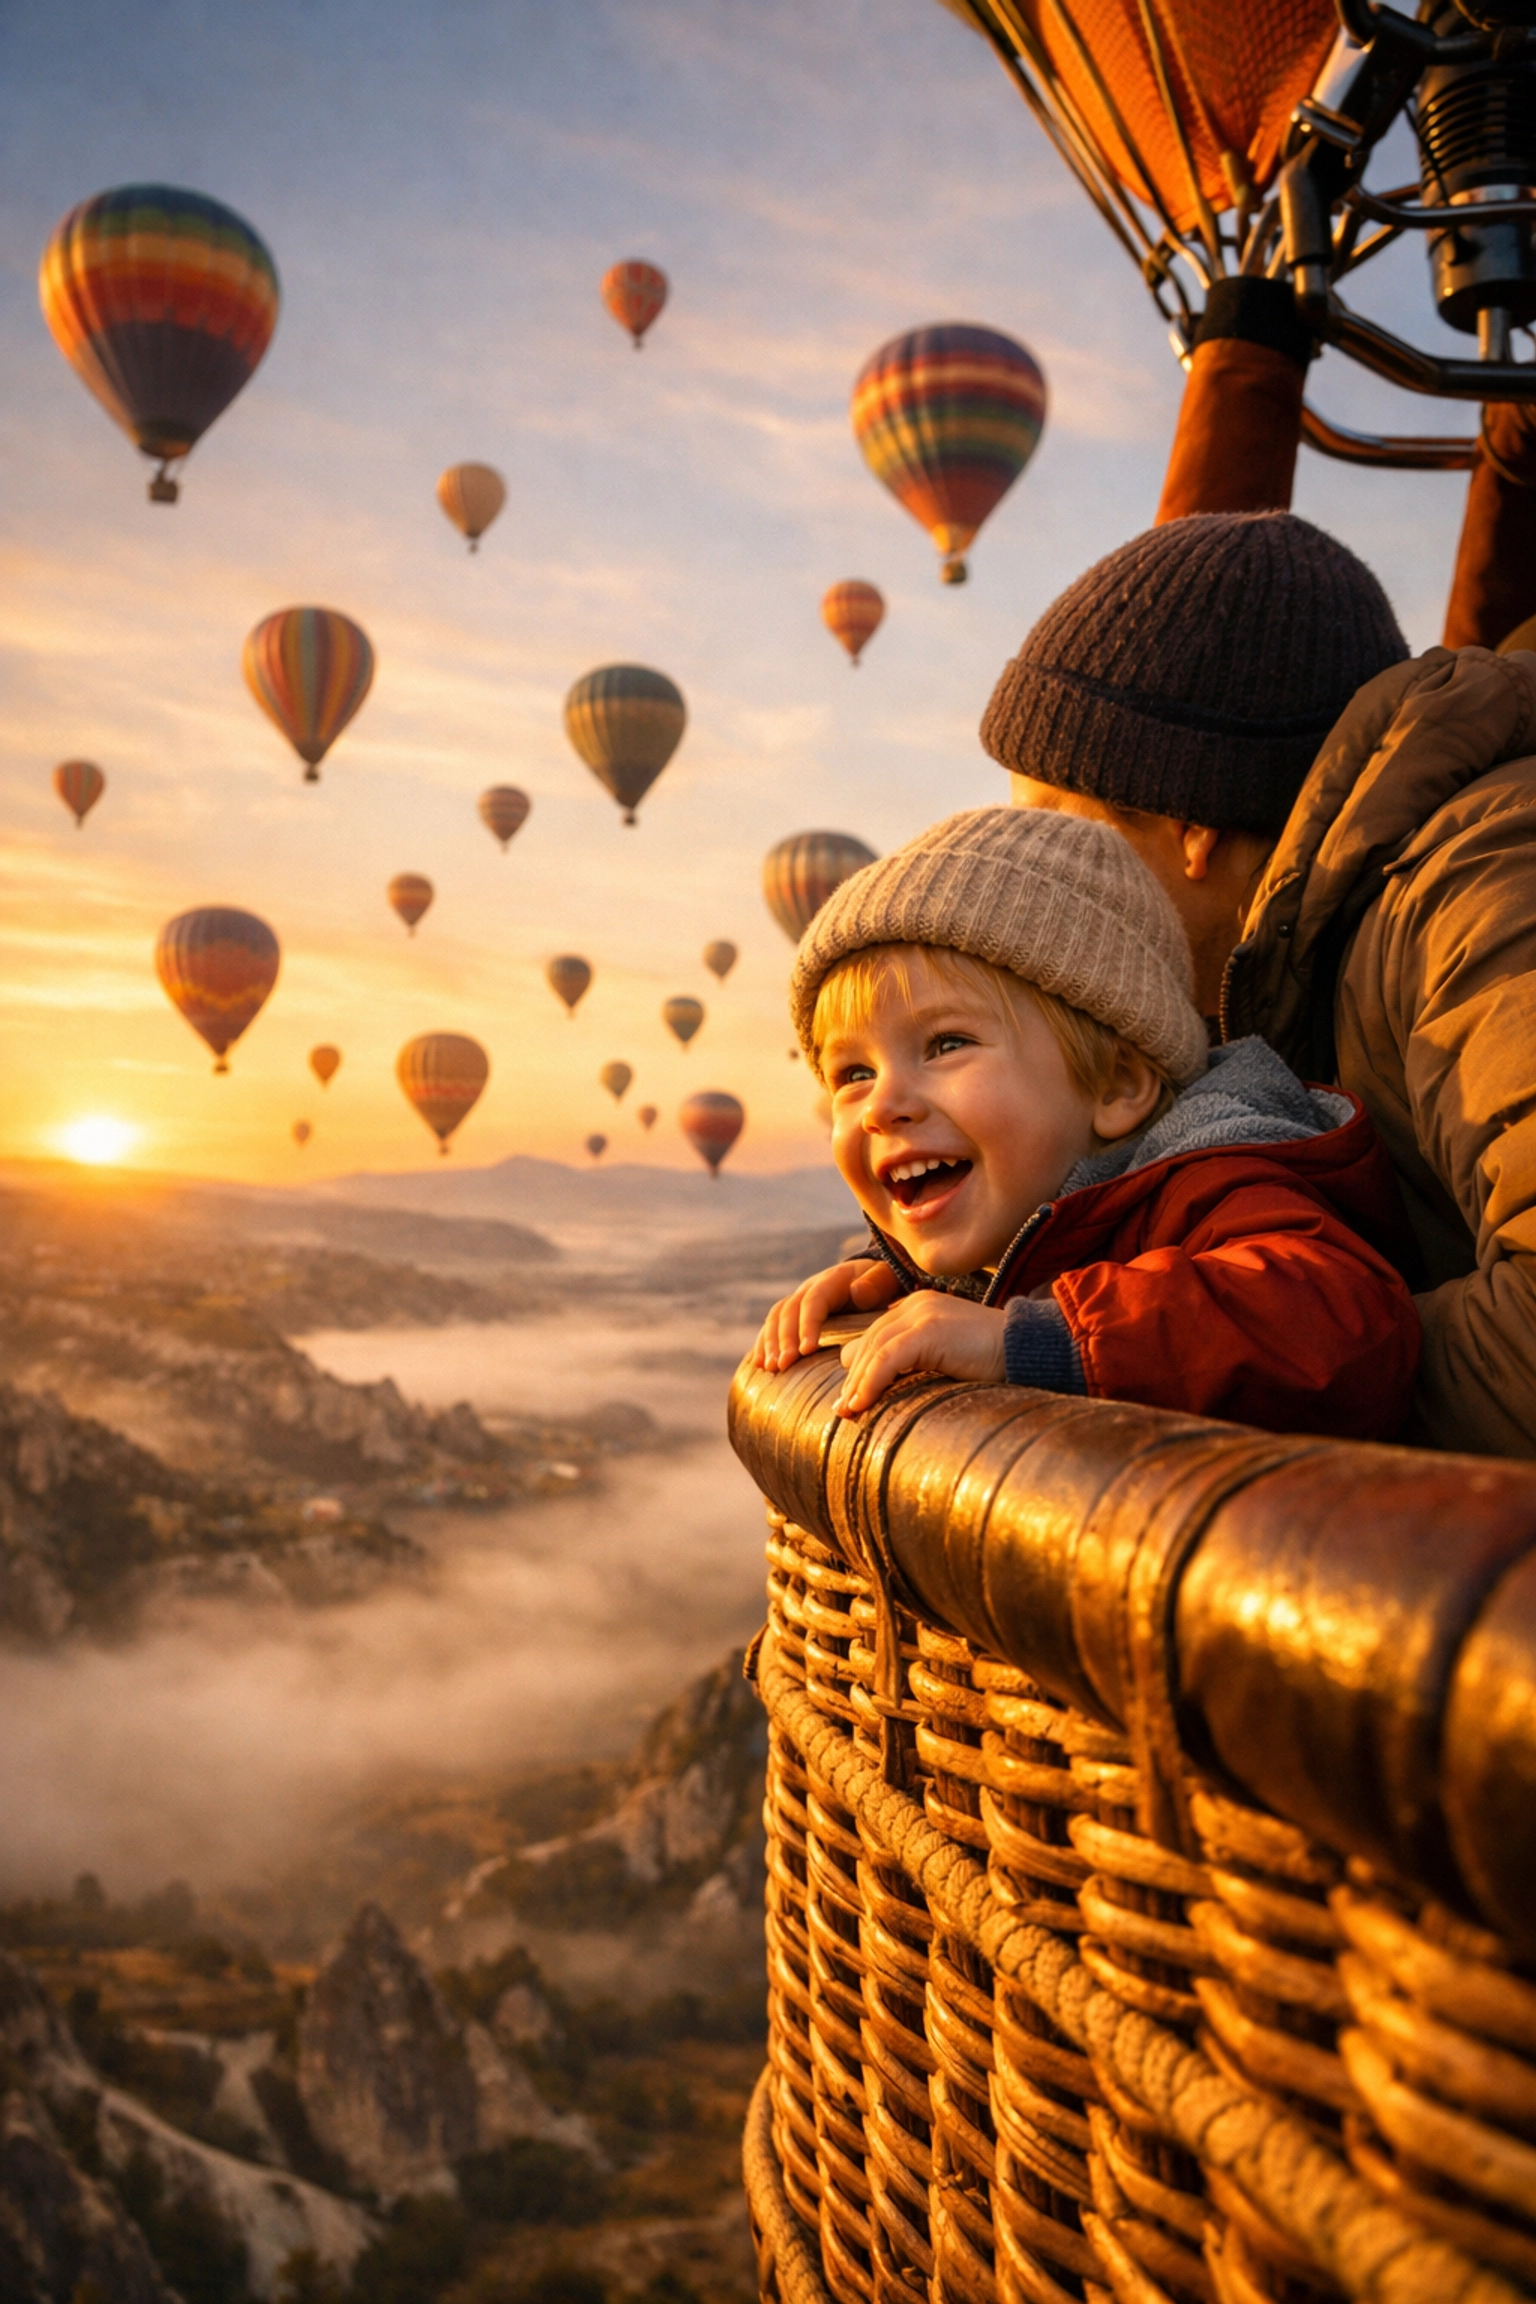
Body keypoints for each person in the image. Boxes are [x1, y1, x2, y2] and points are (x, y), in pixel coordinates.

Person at [979, 510, 1536, 1458]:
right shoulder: (1271, 975)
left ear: (1192, 826)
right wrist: (945, 1289)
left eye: (1059, 834)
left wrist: (1243, 1359)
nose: (1041, 890)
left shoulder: (1481, 890)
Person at [754, 806, 1419, 1439]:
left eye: (947, 1045)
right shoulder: (1021, 1199)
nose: (880, 1106)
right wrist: (900, 1280)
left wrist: (1032, 1340)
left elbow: (1338, 1322)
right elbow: (1053, 1241)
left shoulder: (1213, 1183)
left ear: (1118, 1086)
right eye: (852, 1074)